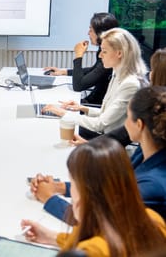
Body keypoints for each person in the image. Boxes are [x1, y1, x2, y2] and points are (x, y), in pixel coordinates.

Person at [31, 86, 166, 223]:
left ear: (139, 125)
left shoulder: (152, 185)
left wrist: (49, 198)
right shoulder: (147, 151)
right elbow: (114, 188)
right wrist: (60, 187)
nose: (125, 123)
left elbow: (101, 225)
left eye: (128, 117)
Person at [21, 136, 166, 256]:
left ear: (83, 193)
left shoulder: (89, 252)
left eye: (73, 184)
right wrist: (51, 237)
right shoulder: (153, 220)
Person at [43, 28, 148, 138]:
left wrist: (63, 113)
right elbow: (106, 113)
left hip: (109, 142)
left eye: (104, 51)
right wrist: (82, 108)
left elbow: (100, 124)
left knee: (59, 128)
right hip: (105, 135)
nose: (100, 55)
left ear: (119, 53)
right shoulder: (117, 74)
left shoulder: (130, 84)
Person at [72, 47, 166, 147]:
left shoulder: (152, 103)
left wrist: (90, 144)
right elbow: (122, 132)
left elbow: (123, 134)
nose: (149, 73)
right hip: (111, 138)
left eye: (153, 70)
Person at [44, 13, 119, 105]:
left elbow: (78, 86)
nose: (88, 33)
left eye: (91, 30)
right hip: (91, 102)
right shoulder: (104, 51)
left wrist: (79, 55)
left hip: (93, 106)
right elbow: (93, 70)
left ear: (101, 34)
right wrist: (64, 72)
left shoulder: (109, 57)